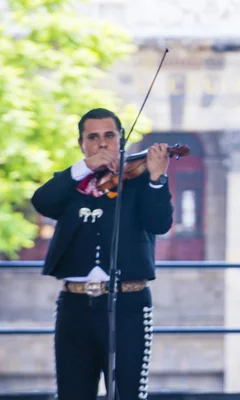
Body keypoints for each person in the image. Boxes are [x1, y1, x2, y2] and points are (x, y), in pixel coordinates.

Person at [31, 108, 174, 399]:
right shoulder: (72, 184)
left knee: (126, 393)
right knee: (72, 392)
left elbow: (159, 224)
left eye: (109, 135)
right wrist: (83, 167)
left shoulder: (138, 183)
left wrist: (157, 179)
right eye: (93, 137)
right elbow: (43, 202)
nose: (102, 144)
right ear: (82, 144)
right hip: (75, 303)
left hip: (128, 304)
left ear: (120, 140)